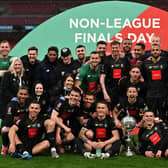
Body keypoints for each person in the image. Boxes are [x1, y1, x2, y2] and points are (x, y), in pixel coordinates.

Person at [51, 87, 84, 153]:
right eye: (72, 95)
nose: (73, 97)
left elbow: (81, 121)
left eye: (76, 96)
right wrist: (64, 129)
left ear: (79, 98)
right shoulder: (61, 102)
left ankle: (61, 144)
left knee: (70, 137)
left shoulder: (78, 106)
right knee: (52, 123)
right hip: (56, 125)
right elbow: (54, 117)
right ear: (69, 95)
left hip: (66, 125)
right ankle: (53, 144)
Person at [100, 40, 130, 109]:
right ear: (111, 49)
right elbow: (102, 78)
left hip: (122, 92)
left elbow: (129, 75)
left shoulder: (125, 60)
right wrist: (105, 93)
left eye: (116, 48)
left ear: (120, 48)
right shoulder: (106, 60)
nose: (115, 49)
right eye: (113, 48)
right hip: (109, 91)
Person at [142, 44, 168, 121]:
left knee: (163, 116)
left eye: (157, 50)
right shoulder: (146, 63)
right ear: (151, 52)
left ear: (160, 51)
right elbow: (144, 77)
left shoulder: (165, 62)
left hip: (163, 94)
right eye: (153, 50)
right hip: (150, 94)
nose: (155, 52)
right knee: (151, 116)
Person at [1, 86, 30, 155]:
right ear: (17, 94)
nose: (23, 96)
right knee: (4, 129)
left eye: (25, 94)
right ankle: (5, 146)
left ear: (28, 95)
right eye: (21, 94)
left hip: (24, 126)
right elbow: (8, 121)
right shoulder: (11, 104)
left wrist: (19, 119)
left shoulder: (30, 104)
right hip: (13, 126)